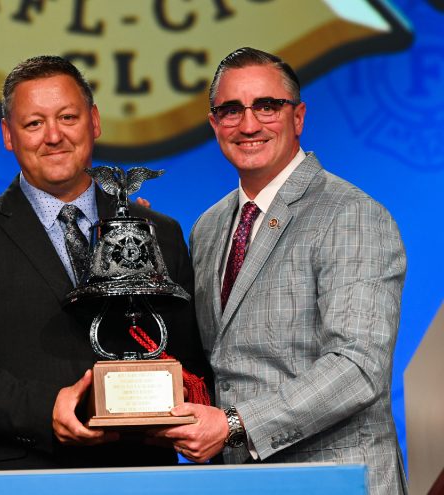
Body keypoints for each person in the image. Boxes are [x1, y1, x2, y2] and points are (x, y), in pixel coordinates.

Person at [0, 55, 212, 470]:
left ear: (95, 122)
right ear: (8, 135)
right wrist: (45, 408)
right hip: (17, 476)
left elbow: (190, 362)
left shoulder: (159, 231)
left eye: (67, 117)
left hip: (139, 474)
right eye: (34, 123)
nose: (53, 136)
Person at [152, 47, 407, 494]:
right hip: (242, 481)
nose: (248, 125)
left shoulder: (351, 214)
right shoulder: (210, 226)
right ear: (214, 124)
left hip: (335, 478)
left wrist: (234, 423)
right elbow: (216, 364)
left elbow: (358, 367)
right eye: (231, 110)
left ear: (298, 116)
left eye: (267, 106)